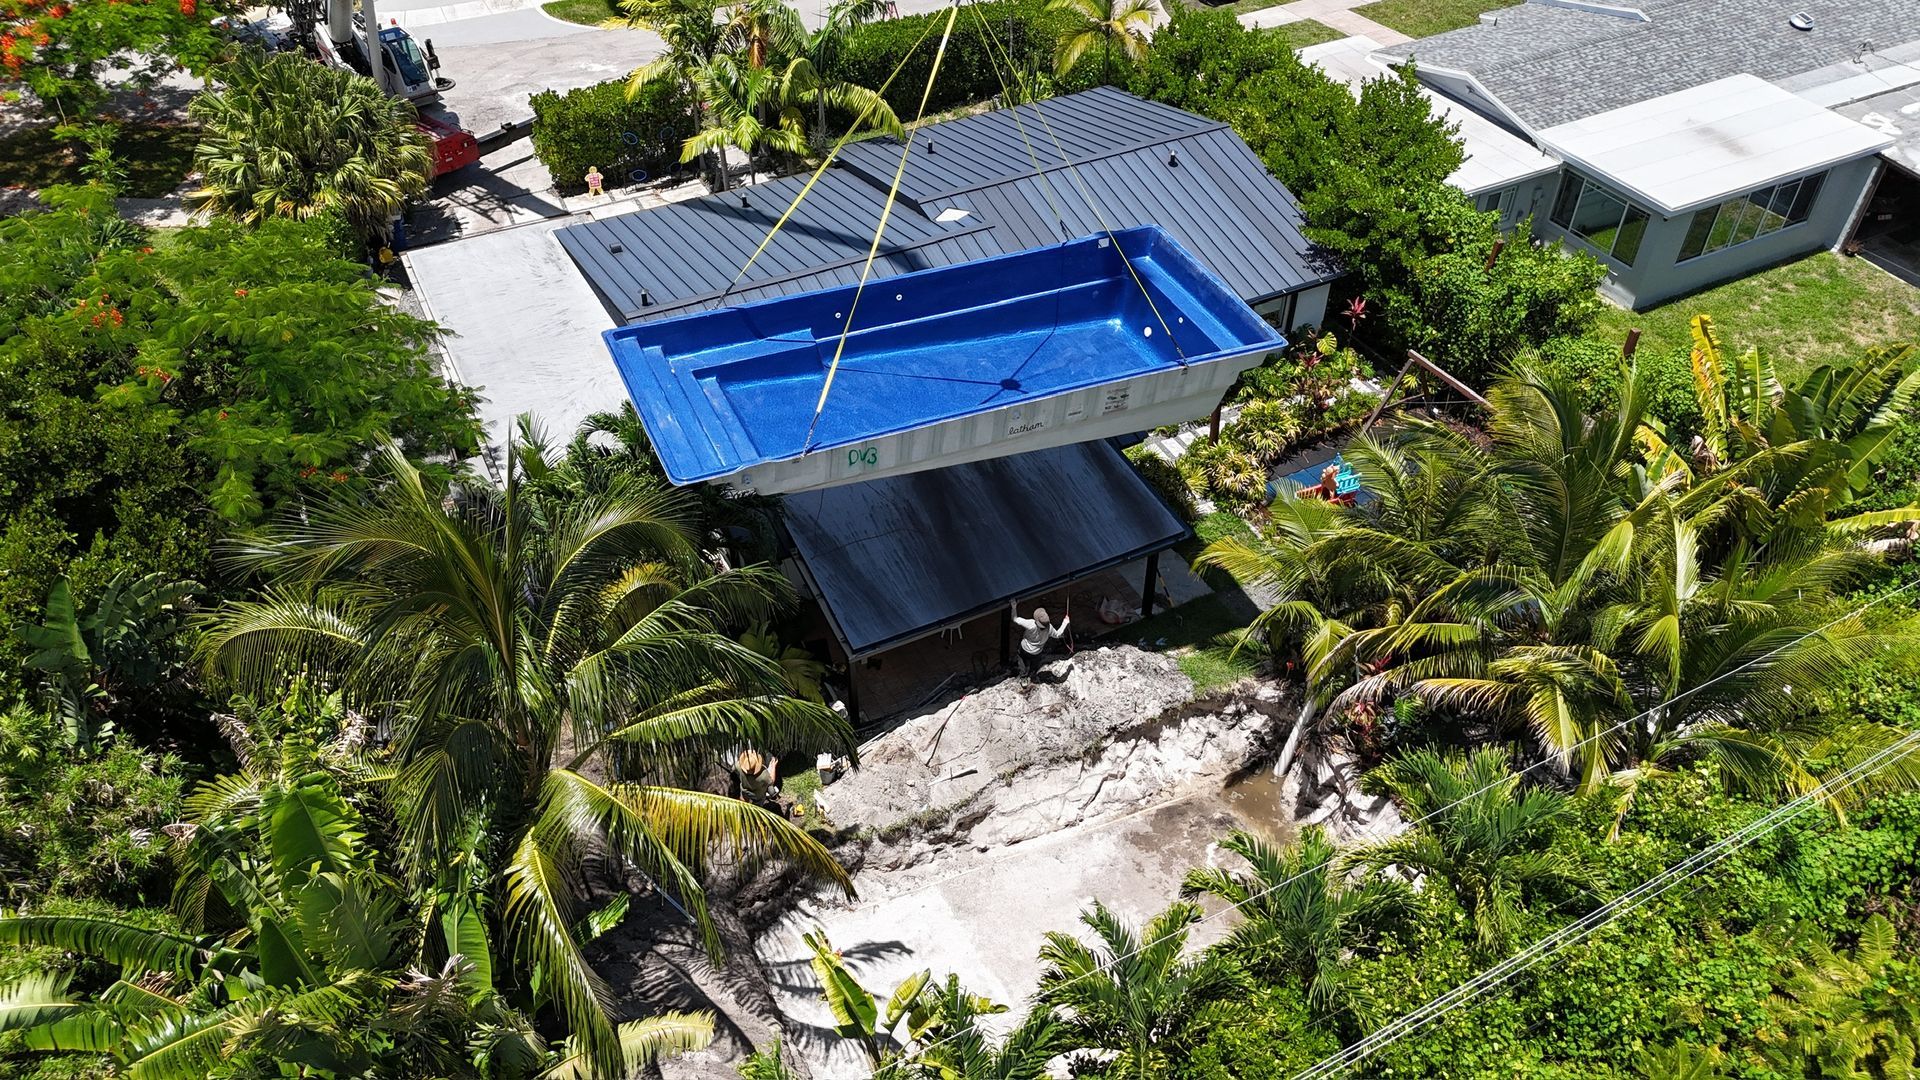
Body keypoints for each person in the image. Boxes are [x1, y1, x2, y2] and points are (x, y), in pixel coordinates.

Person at [1011, 599, 1069, 679]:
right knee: (1034, 665)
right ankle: (1032, 676)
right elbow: (1058, 634)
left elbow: (1015, 619)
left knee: (1022, 661)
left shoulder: (1031, 624)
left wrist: (1014, 606)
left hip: (1024, 649)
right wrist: (1065, 622)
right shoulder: (1050, 628)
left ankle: (1023, 677)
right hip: (1037, 652)